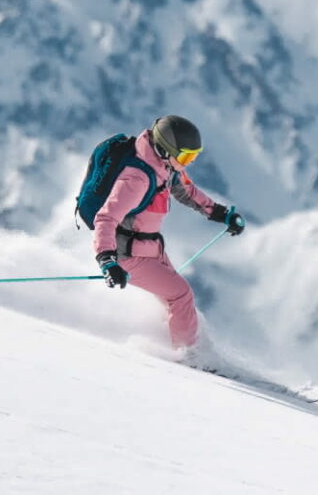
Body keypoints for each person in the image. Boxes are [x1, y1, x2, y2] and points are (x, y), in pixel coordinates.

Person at [92, 115, 246, 351]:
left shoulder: (165, 167)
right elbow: (106, 217)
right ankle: (188, 356)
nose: (189, 162)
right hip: (127, 256)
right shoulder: (137, 178)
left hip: (151, 249)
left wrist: (221, 213)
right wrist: (107, 260)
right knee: (181, 295)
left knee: (172, 300)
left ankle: (174, 346)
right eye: (186, 156)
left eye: (193, 156)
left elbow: (188, 192)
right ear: (165, 150)